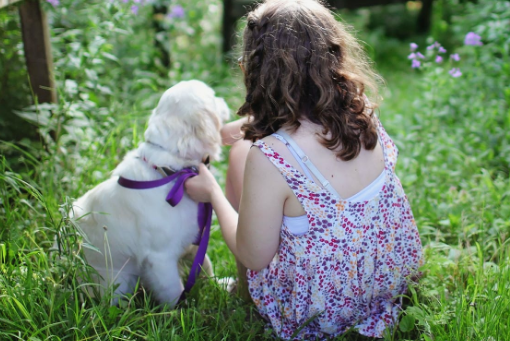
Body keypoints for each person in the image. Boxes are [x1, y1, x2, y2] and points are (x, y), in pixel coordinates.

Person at [185, 0, 424, 339]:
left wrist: (212, 193)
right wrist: (231, 129)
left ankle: (244, 290)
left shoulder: (270, 156)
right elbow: (297, 123)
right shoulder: (362, 112)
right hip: (387, 283)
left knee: (240, 153)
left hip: (320, 311)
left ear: (255, 68)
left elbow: (255, 256)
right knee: (242, 146)